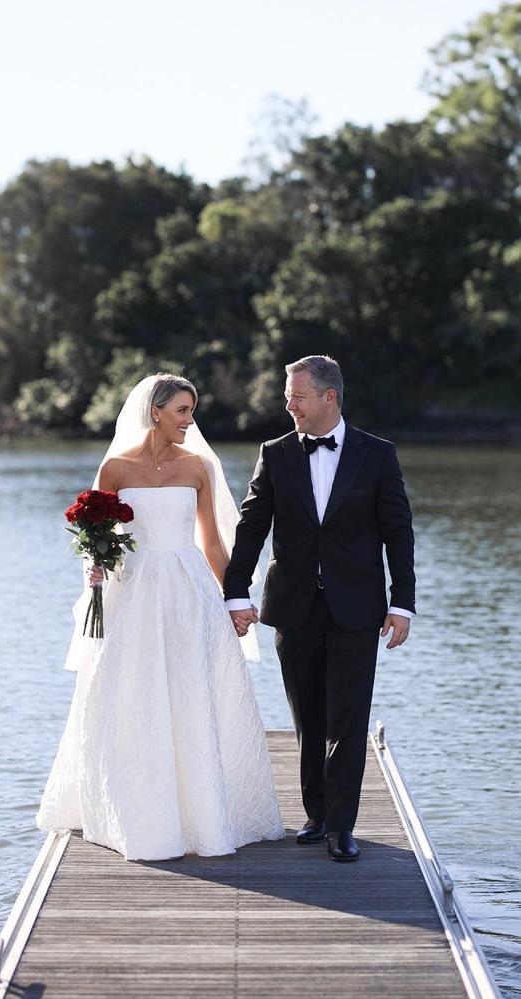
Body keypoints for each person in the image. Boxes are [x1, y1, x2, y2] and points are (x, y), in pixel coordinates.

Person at [36, 373, 284, 861]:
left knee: (191, 692)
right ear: (156, 412)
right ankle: (136, 810)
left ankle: (203, 813)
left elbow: (211, 541)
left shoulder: (196, 467)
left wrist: (234, 598)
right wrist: (96, 570)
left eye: (192, 412)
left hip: (187, 589)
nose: (190, 422)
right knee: (131, 692)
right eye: (182, 412)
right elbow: (97, 540)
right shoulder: (115, 468)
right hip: (132, 593)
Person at [224, 355, 415, 862]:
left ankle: (341, 827)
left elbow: (398, 533)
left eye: (297, 396)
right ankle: (316, 814)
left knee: (348, 721)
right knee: (307, 717)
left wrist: (403, 605)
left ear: (329, 397)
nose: (288, 405)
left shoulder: (378, 455)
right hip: (293, 606)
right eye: (288, 396)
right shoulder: (275, 452)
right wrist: (236, 592)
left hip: (359, 608)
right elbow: (251, 527)